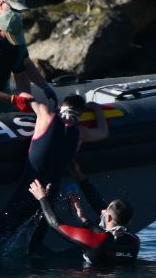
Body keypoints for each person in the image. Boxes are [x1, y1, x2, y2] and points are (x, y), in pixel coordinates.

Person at [26, 93, 109, 224]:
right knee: (42, 221)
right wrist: (97, 108)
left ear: (60, 107)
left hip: (31, 179)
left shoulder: (46, 116)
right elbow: (103, 132)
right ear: (80, 114)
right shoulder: (81, 132)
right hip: (50, 184)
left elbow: (27, 99)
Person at [28, 178, 139, 267]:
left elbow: (55, 224)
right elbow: (108, 237)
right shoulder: (134, 242)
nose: (102, 210)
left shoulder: (96, 240)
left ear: (109, 218)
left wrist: (42, 198)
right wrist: (82, 218)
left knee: (40, 253)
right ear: (129, 222)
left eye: (106, 210)